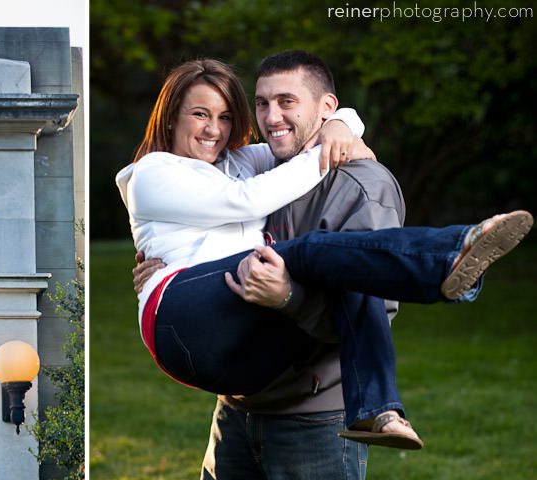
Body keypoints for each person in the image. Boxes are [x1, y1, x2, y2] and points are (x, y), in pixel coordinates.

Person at [125, 52, 530, 480]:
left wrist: (289, 297)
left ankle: (449, 269)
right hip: (240, 407)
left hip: (312, 414)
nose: (270, 117)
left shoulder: (362, 184)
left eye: (286, 103)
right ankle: (447, 264)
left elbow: (374, 309)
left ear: (323, 107)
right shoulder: (247, 170)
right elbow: (228, 211)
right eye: (261, 104)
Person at [118, 56, 531, 449]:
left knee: (346, 272)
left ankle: (375, 410)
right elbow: (247, 200)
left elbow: (298, 141)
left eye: (225, 117)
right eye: (200, 114)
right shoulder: (153, 173)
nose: (215, 129)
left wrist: (339, 126)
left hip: (239, 346)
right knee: (310, 251)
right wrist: (328, 150)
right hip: (180, 317)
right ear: (171, 116)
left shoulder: (237, 161)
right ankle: (448, 256)